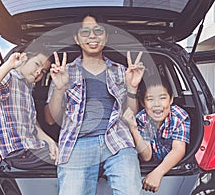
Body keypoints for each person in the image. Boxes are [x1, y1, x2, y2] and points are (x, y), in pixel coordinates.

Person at [45, 14, 145, 195]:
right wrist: (59, 88)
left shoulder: (122, 71)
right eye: (85, 31)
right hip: (77, 142)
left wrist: (132, 88)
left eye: (98, 31)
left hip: (117, 140)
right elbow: (52, 119)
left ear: (106, 37)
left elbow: (131, 114)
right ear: (77, 38)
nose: (92, 36)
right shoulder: (63, 71)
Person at [0, 51, 58, 169]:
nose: (38, 72)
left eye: (43, 72)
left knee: (62, 151)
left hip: (31, 148)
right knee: (69, 157)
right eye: (37, 64)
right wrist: (9, 64)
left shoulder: (27, 90)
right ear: (24, 59)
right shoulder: (10, 77)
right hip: (17, 151)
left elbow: (32, 126)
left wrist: (51, 142)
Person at [123, 75, 190, 193]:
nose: (157, 104)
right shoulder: (142, 118)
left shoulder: (179, 116)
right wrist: (133, 129)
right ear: (143, 103)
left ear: (171, 99)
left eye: (162, 98)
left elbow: (178, 150)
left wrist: (158, 173)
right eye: (150, 99)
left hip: (172, 166)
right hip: (152, 162)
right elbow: (147, 156)